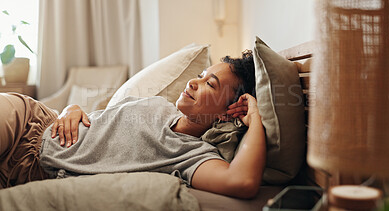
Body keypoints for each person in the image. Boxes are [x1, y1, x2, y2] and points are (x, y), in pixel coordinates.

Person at [0, 50, 266, 199]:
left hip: (30, 169)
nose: (193, 82)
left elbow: (242, 181)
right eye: (200, 75)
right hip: (31, 121)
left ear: (227, 113)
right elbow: (99, 120)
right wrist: (71, 109)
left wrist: (254, 118)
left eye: (210, 84)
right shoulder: (159, 104)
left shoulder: (192, 155)